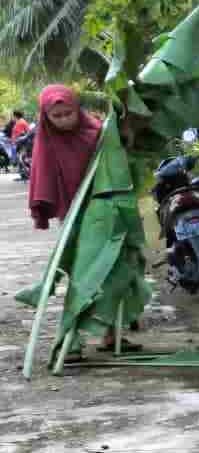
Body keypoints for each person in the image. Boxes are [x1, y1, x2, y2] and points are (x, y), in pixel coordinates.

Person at [27, 85, 140, 353]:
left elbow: (119, 158)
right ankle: (71, 341)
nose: (64, 120)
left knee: (111, 269)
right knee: (80, 274)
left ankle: (110, 334)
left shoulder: (98, 131)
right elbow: (41, 177)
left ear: (78, 109)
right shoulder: (46, 141)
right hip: (74, 214)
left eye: (68, 113)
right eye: (57, 116)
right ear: (46, 117)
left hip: (106, 208)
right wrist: (44, 209)